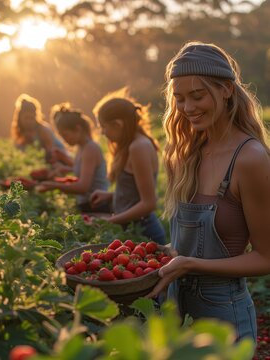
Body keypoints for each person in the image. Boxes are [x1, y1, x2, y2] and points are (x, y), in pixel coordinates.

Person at [148, 41, 270, 342]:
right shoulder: (185, 153)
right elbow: (185, 243)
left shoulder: (249, 158)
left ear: (226, 90)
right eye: (179, 98)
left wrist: (191, 264)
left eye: (197, 96)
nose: (187, 108)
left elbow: (266, 258)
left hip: (224, 315)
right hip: (176, 309)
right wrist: (164, 255)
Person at [90, 88, 166, 245]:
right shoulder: (132, 144)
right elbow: (136, 193)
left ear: (118, 124)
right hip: (134, 230)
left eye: (103, 126)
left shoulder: (139, 147)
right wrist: (111, 195)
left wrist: (110, 221)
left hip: (145, 232)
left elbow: (149, 203)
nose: (103, 133)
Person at [38, 103, 110, 213]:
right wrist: (67, 167)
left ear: (78, 129)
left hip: (96, 207)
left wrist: (54, 186)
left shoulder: (90, 148)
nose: (64, 140)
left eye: (65, 135)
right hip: (89, 205)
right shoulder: (82, 147)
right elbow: (85, 171)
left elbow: (83, 187)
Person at [11, 93, 67, 162]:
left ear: (36, 117)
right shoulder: (20, 133)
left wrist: (33, 143)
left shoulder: (43, 130)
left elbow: (51, 155)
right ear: (20, 118)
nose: (29, 121)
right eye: (26, 118)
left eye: (31, 118)